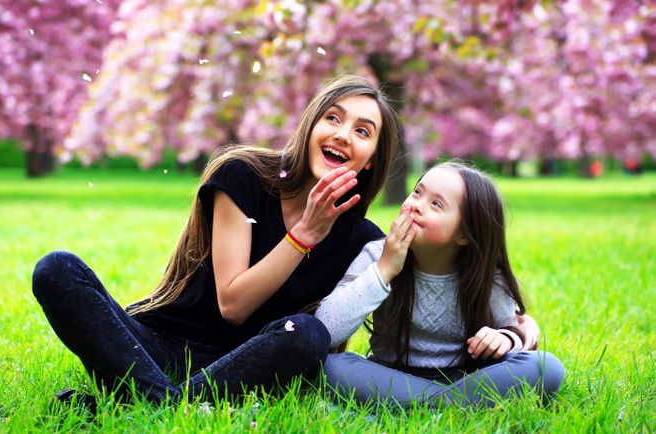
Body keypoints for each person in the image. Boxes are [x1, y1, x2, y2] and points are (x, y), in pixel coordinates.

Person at [32, 75, 401, 406]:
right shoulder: (243, 175)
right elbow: (233, 303)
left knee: (307, 334)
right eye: (333, 118)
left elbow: (408, 323)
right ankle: (171, 406)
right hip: (159, 346)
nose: (342, 134)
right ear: (311, 125)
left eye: (362, 131)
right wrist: (303, 236)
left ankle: (148, 402)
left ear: (370, 160)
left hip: (247, 370)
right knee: (56, 269)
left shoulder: (364, 242)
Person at [315, 161, 565, 408]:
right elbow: (326, 329)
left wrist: (504, 338)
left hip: (465, 377)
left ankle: (425, 403)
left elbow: (513, 331)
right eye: (417, 192)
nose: (416, 206)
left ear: (465, 234)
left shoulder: (485, 276)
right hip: (391, 375)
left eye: (436, 204)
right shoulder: (378, 255)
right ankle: (453, 404)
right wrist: (385, 269)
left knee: (547, 367)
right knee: (328, 366)